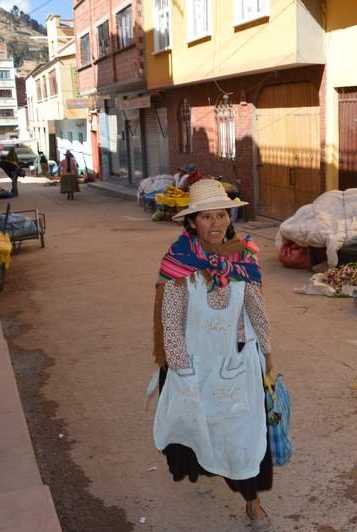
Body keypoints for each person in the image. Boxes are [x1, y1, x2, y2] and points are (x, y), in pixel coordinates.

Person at [151, 179, 275, 531]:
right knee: (201, 428)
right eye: (207, 217)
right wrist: (183, 374)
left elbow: (255, 309)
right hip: (194, 365)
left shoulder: (244, 258)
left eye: (221, 215)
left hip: (238, 361)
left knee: (244, 435)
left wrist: (268, 353)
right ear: (192, 222)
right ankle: (209, 465)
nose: (216, 223)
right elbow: (171, 323)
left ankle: (253, 502)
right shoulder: (178, 263)